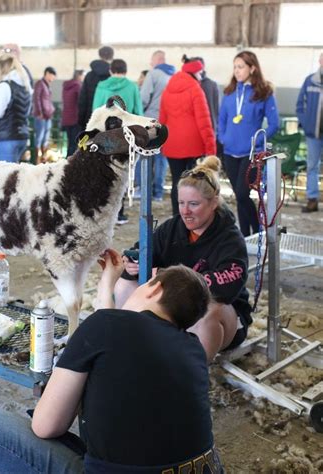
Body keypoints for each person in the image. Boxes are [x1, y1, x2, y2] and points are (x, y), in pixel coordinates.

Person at [0, 251, 223, 473]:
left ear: (154, 288)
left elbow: (46, 426)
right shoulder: (194, 349)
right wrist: (108, 283)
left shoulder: (102, 326)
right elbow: (117, 325)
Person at [115, 156, 252, 362]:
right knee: (125, 284)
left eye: (194, 204)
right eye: (181, 203)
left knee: (207, 309)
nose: (185, 211)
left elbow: (225, 288)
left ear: (214, 202)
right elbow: (142, 250)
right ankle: (127, 346)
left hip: (223, 318)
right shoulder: (172, 227)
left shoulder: (230, 239)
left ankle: (194, 371)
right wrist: (132, 263)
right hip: (174, 310)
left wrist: (164, 276)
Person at [218, 50, 279, 236]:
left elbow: (275, 123)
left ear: (252, 68)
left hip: (250, 153)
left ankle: (258, 232)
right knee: (239, 196)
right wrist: (223, 138)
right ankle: (245, 236)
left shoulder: (264, 93)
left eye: (241, 67)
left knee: (244, 194)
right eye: (235, 67)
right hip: (230, 152)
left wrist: (257, 141)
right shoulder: (229, 93)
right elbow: (222, 120)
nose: (237, 71)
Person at [159, 56, 216, 215]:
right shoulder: (195, 89)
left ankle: (177, 217)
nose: (201, 76)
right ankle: (191, 217)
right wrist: (211, 148)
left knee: (177, 182)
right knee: (192, 184)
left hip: (172, 144)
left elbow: (162, 120)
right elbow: (204, 121)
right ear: (195, 72)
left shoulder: (167, 89)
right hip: (193, 145)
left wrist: (161, 142)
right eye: (200, 73)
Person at [92, 59, 143, 225]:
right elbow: (138, 113)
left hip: (104, 136)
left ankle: (101, 213)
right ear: (125, 71)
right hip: (125, 137)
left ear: (110, 70)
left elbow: (96, 112)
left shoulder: (101, 86)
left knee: (102, 173)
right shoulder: (132, 87)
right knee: (122, 175)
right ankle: (119, 214)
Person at [137, 50, 175, 201]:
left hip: (150, 120)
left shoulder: (153, 74)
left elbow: (144, 98)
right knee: (161, 158)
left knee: (144, 154)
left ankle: (143, 189)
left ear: (158, 60)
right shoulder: (174, 75)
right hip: (167, 122)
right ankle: (158, 192)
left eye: (152, 61)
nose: (150, 64)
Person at [0, 53, 33, 163]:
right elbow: (27, 110)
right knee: (16, 176)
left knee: (6, 176)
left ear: (1, 67)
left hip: (7, 137)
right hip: (22, 136)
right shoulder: (26, 86)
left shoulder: (5, 85)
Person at [296, 52, 323, 213]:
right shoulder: (310, 81)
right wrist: (306, 124)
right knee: (312, 166)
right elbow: (300, 105)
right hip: (313, 134)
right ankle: (312, 200)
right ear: (320, 61)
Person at [78, 45, 114, 129]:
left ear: (99, 55)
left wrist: (81, 120)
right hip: (108, 121)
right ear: (112, 57)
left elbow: (83, 99)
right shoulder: (112, 76)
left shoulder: (89, 75)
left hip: (90, 118)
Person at [33, 66, 57, 164]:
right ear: (47, 73)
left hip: (47, 116)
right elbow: (36, 98)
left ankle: (43, 159)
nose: (53, 78)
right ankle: (37, 160)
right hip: (41, 116)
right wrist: (39, 113)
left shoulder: (46, 85)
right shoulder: (40, 83)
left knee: (45, 137)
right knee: (39, 137)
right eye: (52, 75)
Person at [61, 69, 84, 157]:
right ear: (79, 76)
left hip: (66, 119)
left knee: (69, 142)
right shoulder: (78, 86)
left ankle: (67, 162)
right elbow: (81, 102)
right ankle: (70, 164)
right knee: (74, 144)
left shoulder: (65, 86)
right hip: (75, 119)